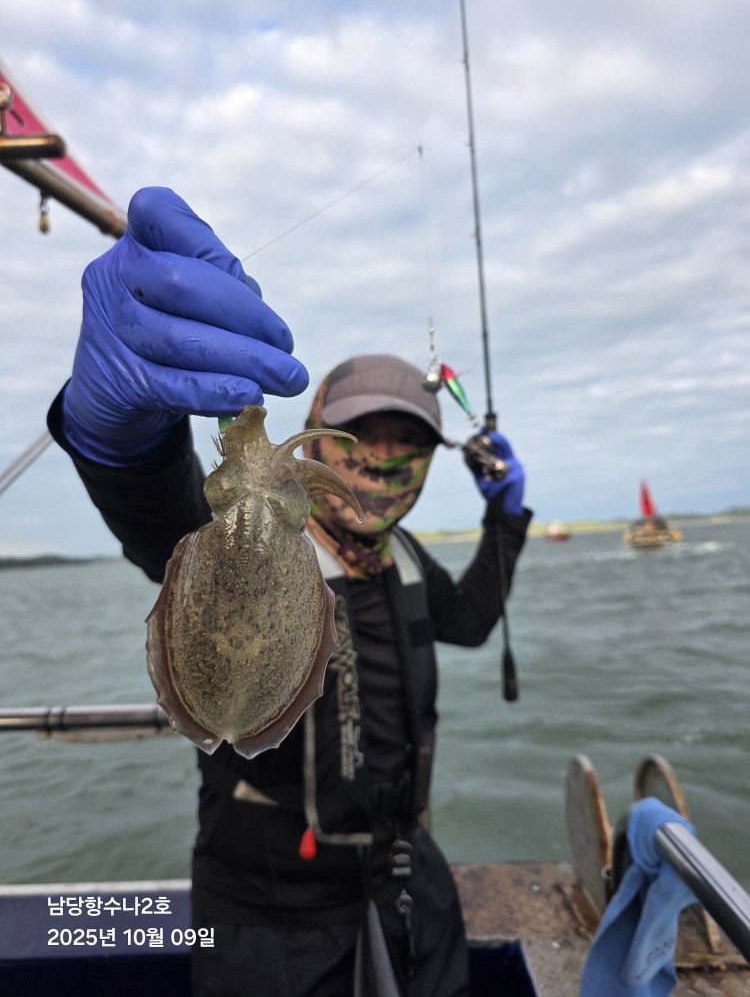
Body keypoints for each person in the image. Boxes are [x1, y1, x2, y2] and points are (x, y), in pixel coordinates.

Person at [47, 187, 532, 997]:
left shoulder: (407, 560)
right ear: (320, 433)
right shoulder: (241, 531)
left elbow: (472, 620)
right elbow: (157, 519)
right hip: (264, 905)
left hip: (404, 878)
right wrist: (118, 441)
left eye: (407, 443)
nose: (380, 460)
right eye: (361, 435)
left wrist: (507, 520)